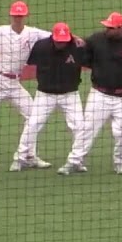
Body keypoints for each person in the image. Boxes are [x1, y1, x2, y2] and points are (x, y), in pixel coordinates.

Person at [58, 12, 122, 176]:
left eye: (110, 27)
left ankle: (120, 162)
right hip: (99, 94)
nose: (106, 29)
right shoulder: (97, 39)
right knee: (87, 129)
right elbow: (83, 53)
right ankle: (74, 161)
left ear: (120, 28)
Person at [0, 0, 50, 164]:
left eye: (21, 16)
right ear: (11, 15)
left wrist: (74, 39)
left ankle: (30, 155)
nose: (18, 19)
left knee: (34, 114)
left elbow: (55, 37)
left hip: (14, 83)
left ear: (25, 16)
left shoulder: (33, 33)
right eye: (16, 16)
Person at [10, 22, 86, 172]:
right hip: (45, 94)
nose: (61, 44)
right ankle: (20, 158)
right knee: (33, 124)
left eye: (64, 41)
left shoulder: (78, 47)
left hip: (70, 94)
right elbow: (29, 60)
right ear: (53, 37)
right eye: (58, 41)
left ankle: (77, 160)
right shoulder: (41, 46)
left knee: (79, 126)